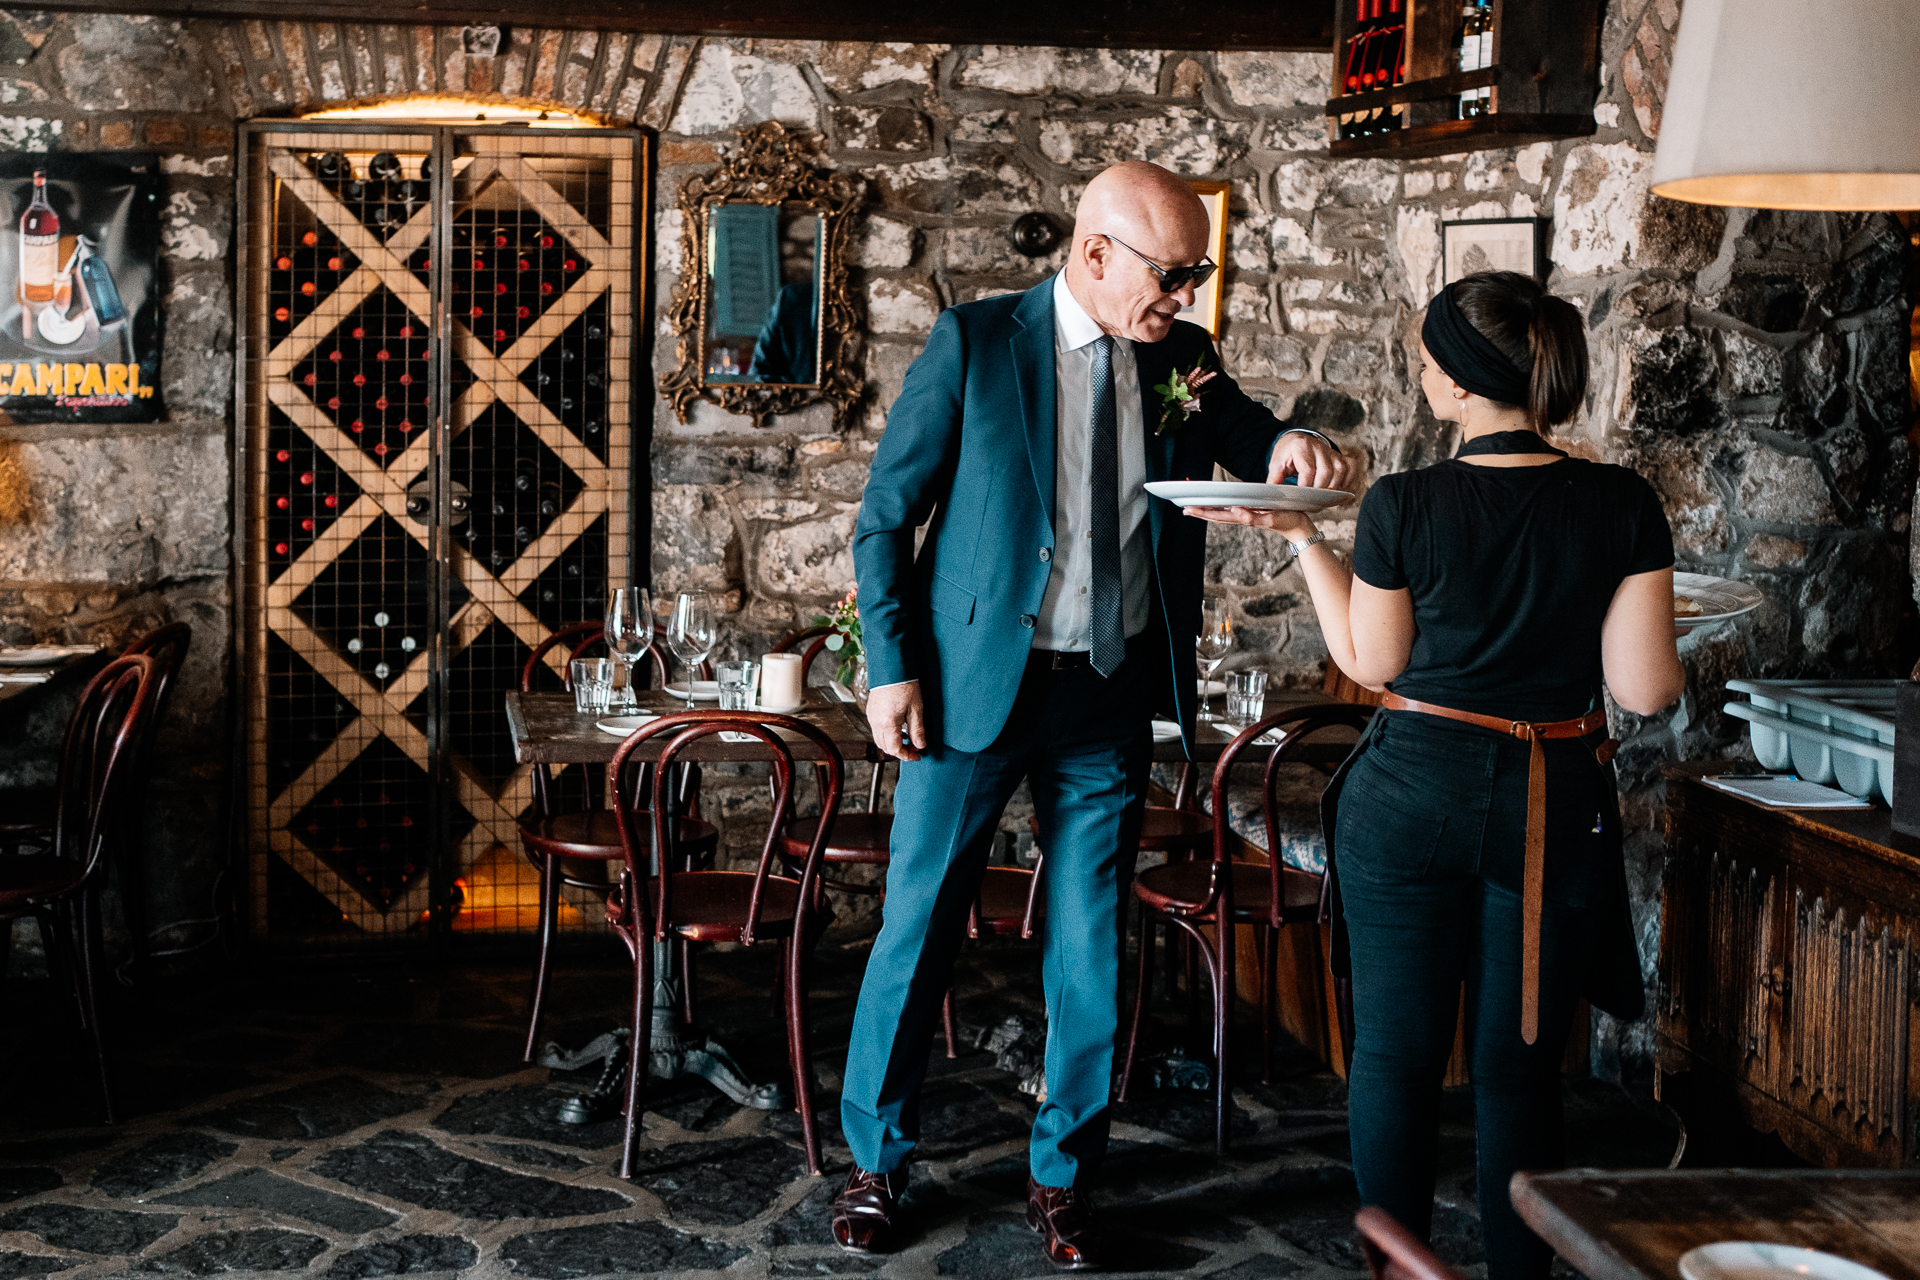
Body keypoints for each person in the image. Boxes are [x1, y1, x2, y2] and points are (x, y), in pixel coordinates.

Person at [838, 161, 1351, 1270]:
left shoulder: (1180, 356)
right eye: (1172, 275)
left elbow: (1247, 425)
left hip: (1107, 690)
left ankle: (1064, 1176)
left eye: (1197, 274)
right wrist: (891, 668)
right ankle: (877, 1160)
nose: (1186, 296)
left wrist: (1283, 450)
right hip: (974, 686)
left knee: (1091, 945)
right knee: (916, 925)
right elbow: (884, 518)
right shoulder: (974, 345)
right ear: (1094, 253)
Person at [1188, 270, 1685, 1280]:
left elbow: (1373, 664)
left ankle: (1394, 1268)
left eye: (1425, 363)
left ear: (1458, 388)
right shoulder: (1622, 501)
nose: (1420, 377)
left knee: (1396, 1055)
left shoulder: (1404, 503)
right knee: (1519, 1071)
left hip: (1410, 794)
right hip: (1549, 805)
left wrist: (1307, 542)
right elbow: (1643, 690)